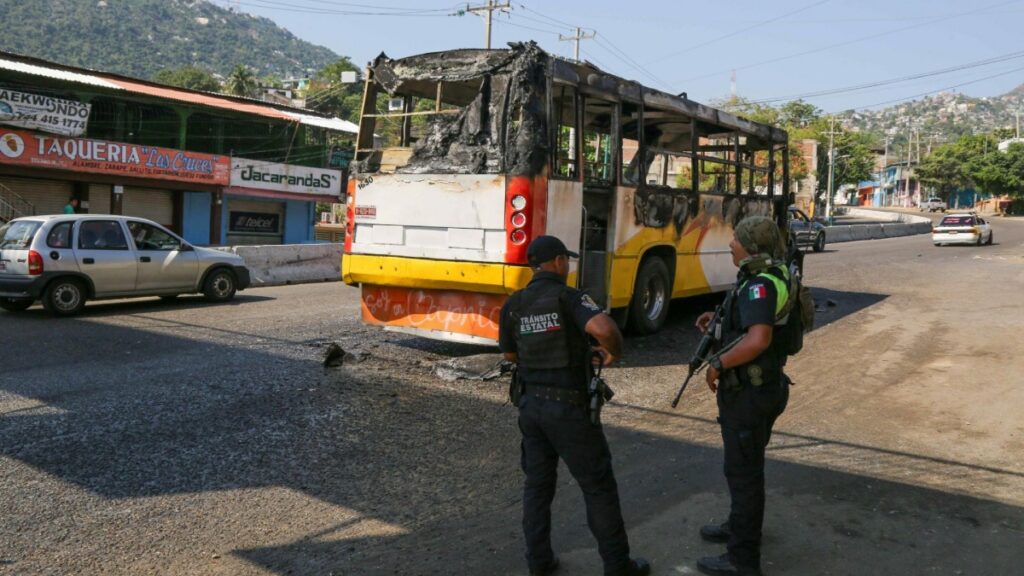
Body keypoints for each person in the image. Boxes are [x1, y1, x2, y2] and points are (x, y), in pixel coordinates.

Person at [500, 235, 650, 576]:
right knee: (597, 487)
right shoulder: (569, 298)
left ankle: (539, 563)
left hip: (530, 407)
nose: (567, 266)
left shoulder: (516, 303)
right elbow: (604, 328)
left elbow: (510, 354)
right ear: (556, 262)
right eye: (565, 260)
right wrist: (613, 350)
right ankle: (618, 567)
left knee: (537, 487)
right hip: (568, 410)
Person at [694, 216, 792, 576]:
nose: (731, 244)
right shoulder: (769, 275)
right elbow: (751, 327)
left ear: (752, 246)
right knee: (746, 471)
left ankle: (742, 559)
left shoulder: (759, 285)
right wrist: (718, 322)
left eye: (736, 238)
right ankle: (741, 528)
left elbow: (758, 339)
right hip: (763, 386)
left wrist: (717, 363)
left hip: (751, 392)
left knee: (743, 475)